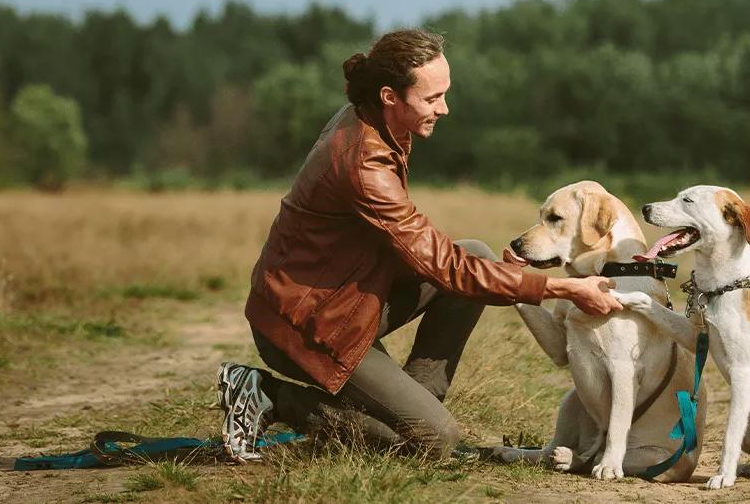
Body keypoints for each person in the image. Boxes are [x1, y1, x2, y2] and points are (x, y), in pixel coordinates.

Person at [216, 29, 621, 462]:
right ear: (391, 96)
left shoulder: (374, 118)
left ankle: (412, 405)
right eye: (432, 99)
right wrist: (563, 288)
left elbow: (443, 260)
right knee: (434, 443)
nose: (444, 108)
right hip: (304, 325)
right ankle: (268, 395)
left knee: (478, 254)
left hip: (344, 301)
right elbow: (443, 264)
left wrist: (506, 278)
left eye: (444, 94)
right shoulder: (363, 162)